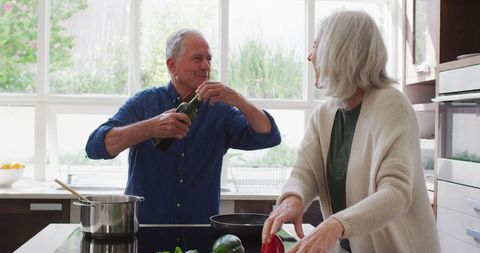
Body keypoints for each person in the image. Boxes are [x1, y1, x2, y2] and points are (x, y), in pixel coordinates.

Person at [262, 11, 440, 253]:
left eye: (316, 46)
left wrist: (336, 224)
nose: (310, 56)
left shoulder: (391, 106)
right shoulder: (324, 114)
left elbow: (396, 192)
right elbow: (306, 171)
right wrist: (294, 197)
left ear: (339, 52)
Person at [85, 28, 281, 224]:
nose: (206, 66)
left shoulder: (220, 111)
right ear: (172, 65)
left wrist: (239, 101)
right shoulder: (144, 103)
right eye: (197, 58)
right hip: (147, 235)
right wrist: (151, 128)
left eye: (209, 59)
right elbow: (95, 147)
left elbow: (268, 136)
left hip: (201, 236)